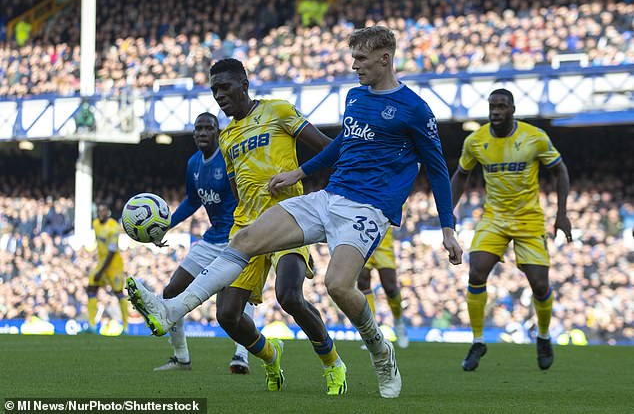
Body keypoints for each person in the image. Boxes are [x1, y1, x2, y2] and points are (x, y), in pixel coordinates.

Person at [127, 26, 462, 399]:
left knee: (336, 285)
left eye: (361, 59)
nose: (354, 66)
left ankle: (381, 352)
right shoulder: (355, 98)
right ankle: (171, 310)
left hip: (368, 208)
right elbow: (341, 148)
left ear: (385, 59)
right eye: (353, 58)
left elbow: (436, 168)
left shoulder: (415, 109)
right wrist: (300, 172)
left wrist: (448, 227)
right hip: (329, 196)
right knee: (245, 239)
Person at [130, 58, 347, 395]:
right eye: (214, 89)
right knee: (228, 316)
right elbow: (237, 191)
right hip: (247, 229)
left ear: (244, 84)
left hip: (290, 218)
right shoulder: (228, 137)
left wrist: (302, 178)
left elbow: (328, 148)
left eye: (225, 87)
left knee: (289, 296)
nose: (218, 94)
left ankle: (333, 363)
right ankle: (271, 356)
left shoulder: (279, 111)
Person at [450, 88, 572, 371]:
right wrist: (447, 213)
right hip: (494, 218)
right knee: (476, 271)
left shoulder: (534, 137)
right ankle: (478, 341)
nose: (495, 112)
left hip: (529, 219)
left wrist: (562, 213)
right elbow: (461, 175)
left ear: (512, 109)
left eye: (501, 106)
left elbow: (560, 171)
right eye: (492, 106)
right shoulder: (476, 141)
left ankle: (542, 336)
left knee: (540, 285)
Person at [153, 112, 253, 374]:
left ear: (218, 132)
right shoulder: (194, 163)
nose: (202, 132)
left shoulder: (229, 156)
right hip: (211, 238)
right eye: (198, 128)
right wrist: (167, 224)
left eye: (208, 128)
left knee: (237, 299)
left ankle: (241, 354)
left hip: (237, 238)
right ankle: (181, 357)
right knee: (171, 290)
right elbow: (192, 201)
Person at [357, 227, 409, 348]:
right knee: (362, 281)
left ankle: (398, 321)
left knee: (390, 287)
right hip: (362, 236)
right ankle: (372, 333)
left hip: (383, 238)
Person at [83, 204, 128, 334]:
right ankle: (91, 325)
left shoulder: (114, 227)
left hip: (114, 266)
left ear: (108, 212)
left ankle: (125, 327)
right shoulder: (95, 223)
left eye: (103, 211)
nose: (100, 213)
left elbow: (112, 252)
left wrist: (101, 272)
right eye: (98, 211)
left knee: (118, 293)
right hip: (101, 263)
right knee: (91, 288)